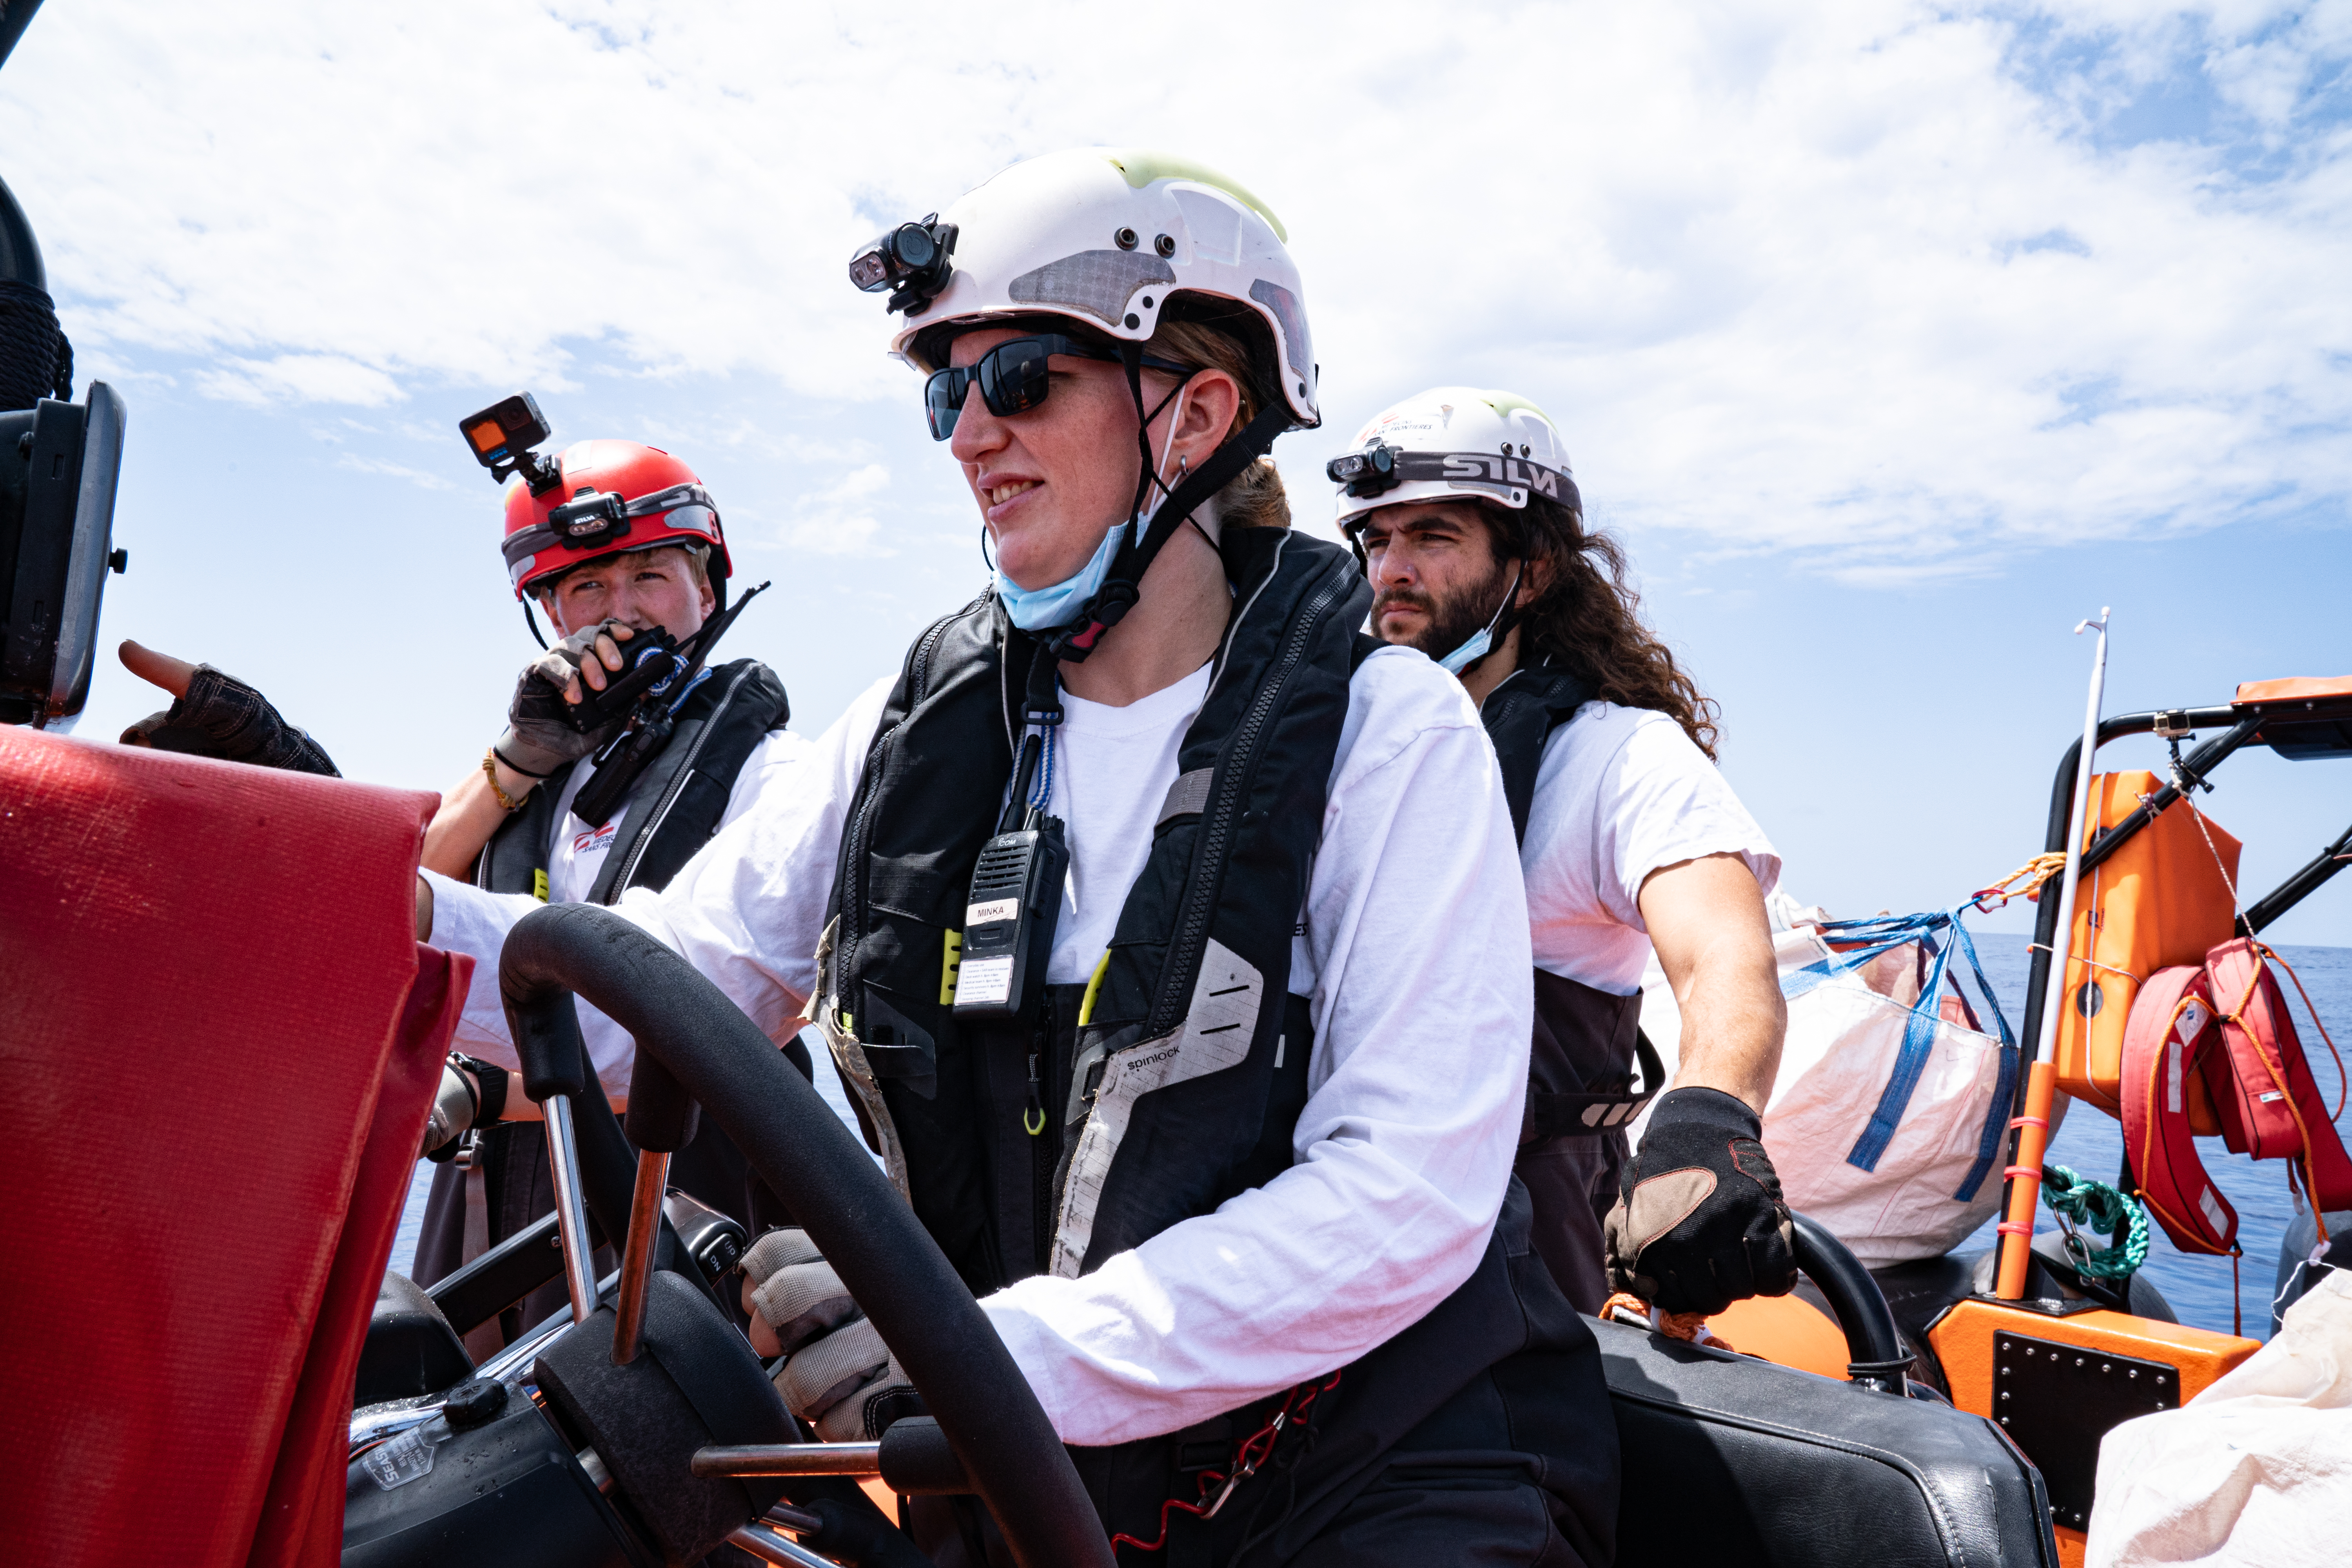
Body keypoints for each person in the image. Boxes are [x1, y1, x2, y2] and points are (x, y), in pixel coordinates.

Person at [419, 149, 1615, 1564]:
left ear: (1198, 414)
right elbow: (657, 988)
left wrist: (987, 1365)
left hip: (1369, 1482)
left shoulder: (1382, 725)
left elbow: (1408, 1189)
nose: (967, 436)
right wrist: (306, 882)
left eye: (1022, 382)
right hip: (1016, 1482)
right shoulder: (917, 723)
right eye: (947, 391)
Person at [1334, 387, 1797, 1319]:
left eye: (1431, 538)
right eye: (1376, 541)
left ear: (1533, 571)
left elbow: (1724, 960)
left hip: (1516, 1270)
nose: (1391, 569)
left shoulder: (1617, 756)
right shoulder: (1334, 743)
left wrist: (1709, 1119)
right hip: (1328, 1222)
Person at [407, 439, 799, 1348]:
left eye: (651, 577)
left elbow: (715, 1010)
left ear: (708, 589)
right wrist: (516, 759)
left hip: (669, 1210)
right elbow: (396, 895)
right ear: (548, 612)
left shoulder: (776, 777)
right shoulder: (524, 779)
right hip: (496, 1210)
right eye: (586, 588)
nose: (621, 615)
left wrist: (479, 1085)